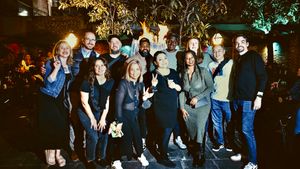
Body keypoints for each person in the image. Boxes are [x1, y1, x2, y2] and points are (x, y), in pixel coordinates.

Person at [230, 34, 267, 169]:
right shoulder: (239, 59)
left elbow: (263, 77)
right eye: (237, 42)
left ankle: (253, 162)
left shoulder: (253, 56)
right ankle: (243, 153)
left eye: (242, 42)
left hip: (249, 100)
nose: (239, 44)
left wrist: (259, 96)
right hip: (237, 99)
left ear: (247, 43)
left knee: (247, 130)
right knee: (239, 128)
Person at [37, 40, 74, 167]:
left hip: (62, 100)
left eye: (67, 48)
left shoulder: (70, 65)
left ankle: (57, 153)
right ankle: (49, 151)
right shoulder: (50, 63)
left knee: (61, 126)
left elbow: (67, 85)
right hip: (49, 97)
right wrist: (56, 68)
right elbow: (48, 82)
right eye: (62, 48)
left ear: (70, 51)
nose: (65, 50)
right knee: (50, 126)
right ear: (57, 50)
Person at [112, 59, 152, 169]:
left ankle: (140, 155)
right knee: (122, 139)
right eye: (132, 69)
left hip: (134, 116)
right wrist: (119, 121)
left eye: (137, 69)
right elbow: (118, 104)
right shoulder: (123, 83)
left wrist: (144, 98)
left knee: (138, 137)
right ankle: (116, 160)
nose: (135, 72)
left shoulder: (140, 84)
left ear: (140, 71)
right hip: (122, 116)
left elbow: (138, 104)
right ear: (128, 71)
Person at [77, 57, 114, 168]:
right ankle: (90, 159)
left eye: (102, 65)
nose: (100, 68)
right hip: (86, 111)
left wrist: (103, 118)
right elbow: (84, 103)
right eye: (97, 65)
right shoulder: (87, 81)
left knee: (104, 133)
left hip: (100, 111)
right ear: (93, 68)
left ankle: (101, 157)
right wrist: (92, 118)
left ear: (106, 67)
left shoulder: (110, 81)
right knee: (93, 136)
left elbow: (107, 101)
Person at [179, 50, 213, 167]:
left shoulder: (203, 71)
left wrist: (198, 98)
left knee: (200, 127)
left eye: (192, 57)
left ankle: (200, 154)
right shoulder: (182, 73)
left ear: (195, 58)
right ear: (184, 60)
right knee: (191, 129)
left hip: (202, 105)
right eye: (187, 58)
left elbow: (210, 87)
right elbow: (182, 92)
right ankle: (194, 148)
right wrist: (182, 108)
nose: (190, 60)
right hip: (188, 106)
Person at [70, 31, 99, 163]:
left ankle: (89, 149)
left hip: (90, 93)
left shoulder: (96, 56)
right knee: (75, 121)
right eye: (88, 39)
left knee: (88, 120)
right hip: (74, 92)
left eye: (93, 40)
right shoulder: (72, 53)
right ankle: (75, 149)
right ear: (83, 40)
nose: (91, 42)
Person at [150, 51, 182, 168]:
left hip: (172, 107)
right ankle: (163, 157)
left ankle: (161, 148)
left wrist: (174, 86)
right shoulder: (154, 74)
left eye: (165, 58)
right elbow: (151, 93)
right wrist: (153, 85)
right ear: (155, 62)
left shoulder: (173, 72)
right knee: (166, 130)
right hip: (160, 108)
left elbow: (180, 88)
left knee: (167, 130)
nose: (163, 61)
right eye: (160, 59)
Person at [162, 33, 187, 150]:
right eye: (169, 41)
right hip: (164, 88)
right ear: (166, 41)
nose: (171, 43)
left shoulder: (180, 54)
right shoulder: (162, 54)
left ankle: (178, 137)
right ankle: (161, 139)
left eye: (174, 41)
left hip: (177, 87)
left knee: (177, 113)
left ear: (177, 42)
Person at [208, 45, 233, 152]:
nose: (217, 53)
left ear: (224, 51)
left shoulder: (231, 63)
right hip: (214, 98)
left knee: (230, 122)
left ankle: (230, 142)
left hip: (228, 99)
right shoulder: (210, 65)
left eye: (219, 51)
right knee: (217, 122)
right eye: (214, 51)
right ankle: (220, 142)